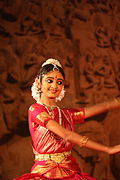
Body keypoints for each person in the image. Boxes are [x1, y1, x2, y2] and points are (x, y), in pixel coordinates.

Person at [14, 58, 120, 180]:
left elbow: (103, 107)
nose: (54, 86)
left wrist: (116, 102)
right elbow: (66, 134)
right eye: (49, 81)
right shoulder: (35, 110)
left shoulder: (66, 114)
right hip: (45, 172)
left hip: (70, 169)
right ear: (39, 82)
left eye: (59, 82)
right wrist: (107, 149)